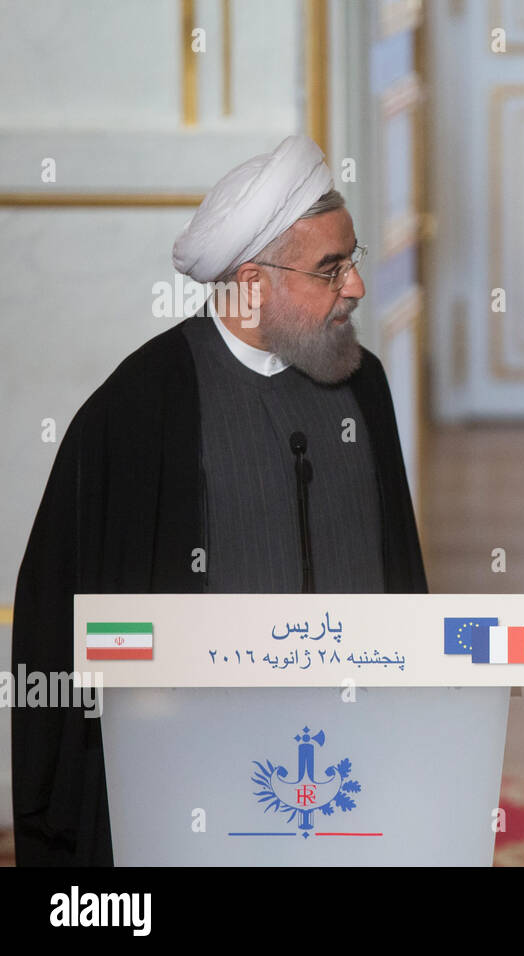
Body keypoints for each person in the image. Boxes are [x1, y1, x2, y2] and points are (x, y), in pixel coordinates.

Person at [11, 135, 427, 865]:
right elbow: (59, 621)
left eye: (351, 260)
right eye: (331, 269)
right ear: (250, 284)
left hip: (356, 770)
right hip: (196, 785)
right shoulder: (138, 412)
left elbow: (403, 581)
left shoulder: (365, 386)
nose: (355, 288)